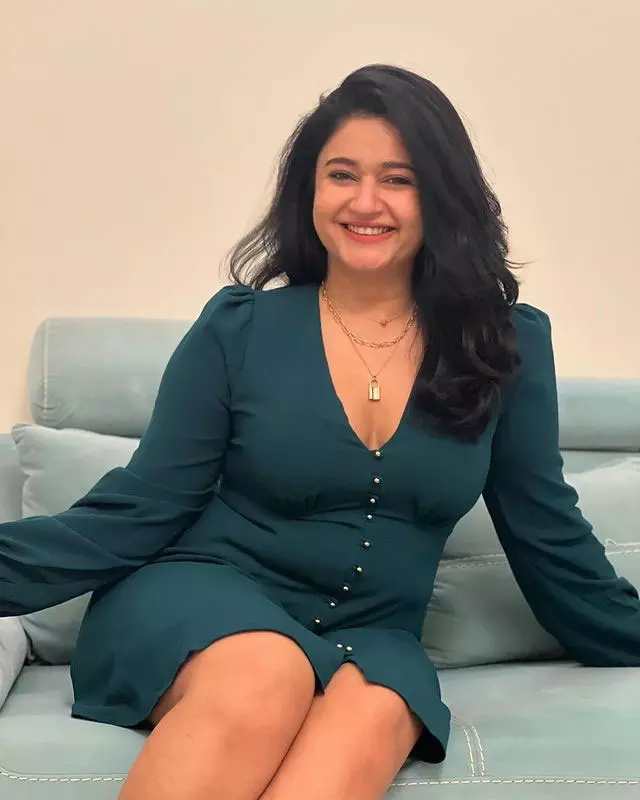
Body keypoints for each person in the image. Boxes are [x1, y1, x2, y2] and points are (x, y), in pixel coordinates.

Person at [1, 63, 639, 800]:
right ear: (309, 189)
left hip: (374, 635)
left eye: (398, 179)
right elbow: (140, 508)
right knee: (269, 672)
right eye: (342, 175)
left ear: (441, 195)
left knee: (376, 712)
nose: (365, 202)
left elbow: (547, 535)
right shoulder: (238, 330)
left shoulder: (504, 346)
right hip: (200, 599)